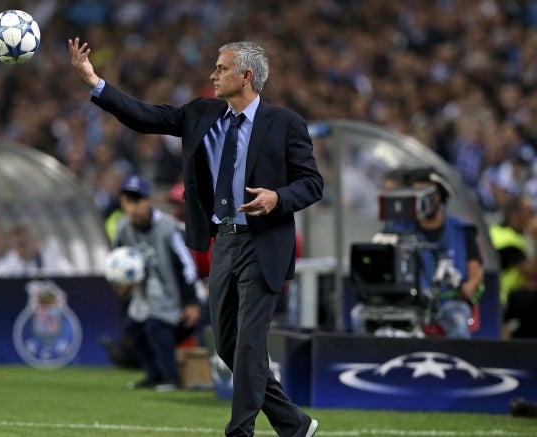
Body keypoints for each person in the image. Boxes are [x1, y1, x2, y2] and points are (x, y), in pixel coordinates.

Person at [70, 38, 322, 437]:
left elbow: (312, 183)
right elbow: (145, 117)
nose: (213, 75)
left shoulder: (285, 123)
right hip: (224, 241)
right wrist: (95, 82)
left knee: (249, 343)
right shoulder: (201, 113)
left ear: (246, 76)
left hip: (264, 242)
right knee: (226, 345)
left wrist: (278, 197)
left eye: (221, 68)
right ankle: (294, 424)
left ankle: (239, 431)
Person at [353, 168, 485, 338]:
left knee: (457, 320)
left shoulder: (462, 230)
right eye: (416, 192)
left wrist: (469, 287)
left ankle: (457, 356)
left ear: (440, 195)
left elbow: (476, 271)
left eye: (427, 192)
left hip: (447, 302)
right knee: (360, 316)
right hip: (406, 302)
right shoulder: (396, 228)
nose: (421, 198)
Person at [112, 174, 201, 392]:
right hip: (144, 296)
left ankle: (170, 377)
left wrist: (191, 301)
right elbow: (118, 260)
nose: (133, 207)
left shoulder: (169, 228)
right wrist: (121, 284)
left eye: (137, 200)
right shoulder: (122, 228)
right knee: (133, 328)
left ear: (148, 200)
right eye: (128, 201)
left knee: (157, 326)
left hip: (174, 296)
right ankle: (154, 376)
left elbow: (187, 266)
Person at [489, 196, 537, 338]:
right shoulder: (508, 240)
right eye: (529, 214)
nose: (532, 219)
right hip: (502, 298)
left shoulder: (495, 231)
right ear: (516, 215)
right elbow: (532, 272)